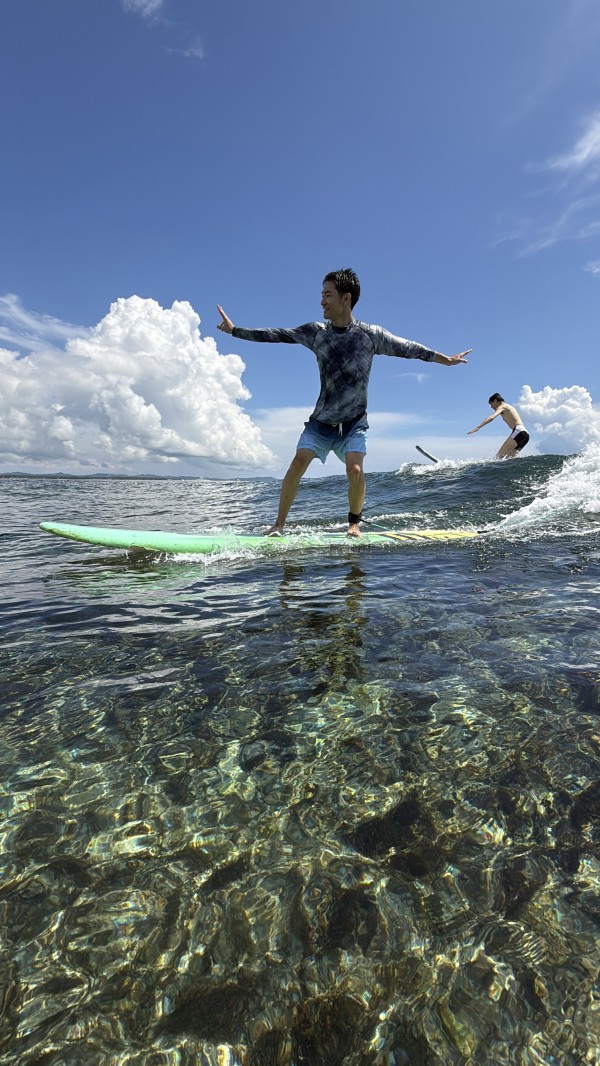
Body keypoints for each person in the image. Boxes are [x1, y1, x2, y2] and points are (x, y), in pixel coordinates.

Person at [217, 268, 471, 537]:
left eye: (328, 295)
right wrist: (235, 331)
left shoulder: (371, 335)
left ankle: (354, 523)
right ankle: (279, 525)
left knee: (355, 469)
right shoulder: (316, 332)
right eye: (322, 295)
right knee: (298, 462)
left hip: (354, 422)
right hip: (322, 421)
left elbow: (410, 348)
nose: (322, 301)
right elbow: (278, 334)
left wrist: (446, 359)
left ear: (346, 298)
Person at [467, 393, 529, 458]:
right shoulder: (507, 407)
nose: (491, 407)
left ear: (496, 401)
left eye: (491, 404)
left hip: (519, 432)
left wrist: (478, 427)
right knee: (509, 460)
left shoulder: (502, 406)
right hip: (525, 435)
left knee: (498, 457)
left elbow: (492, 417)